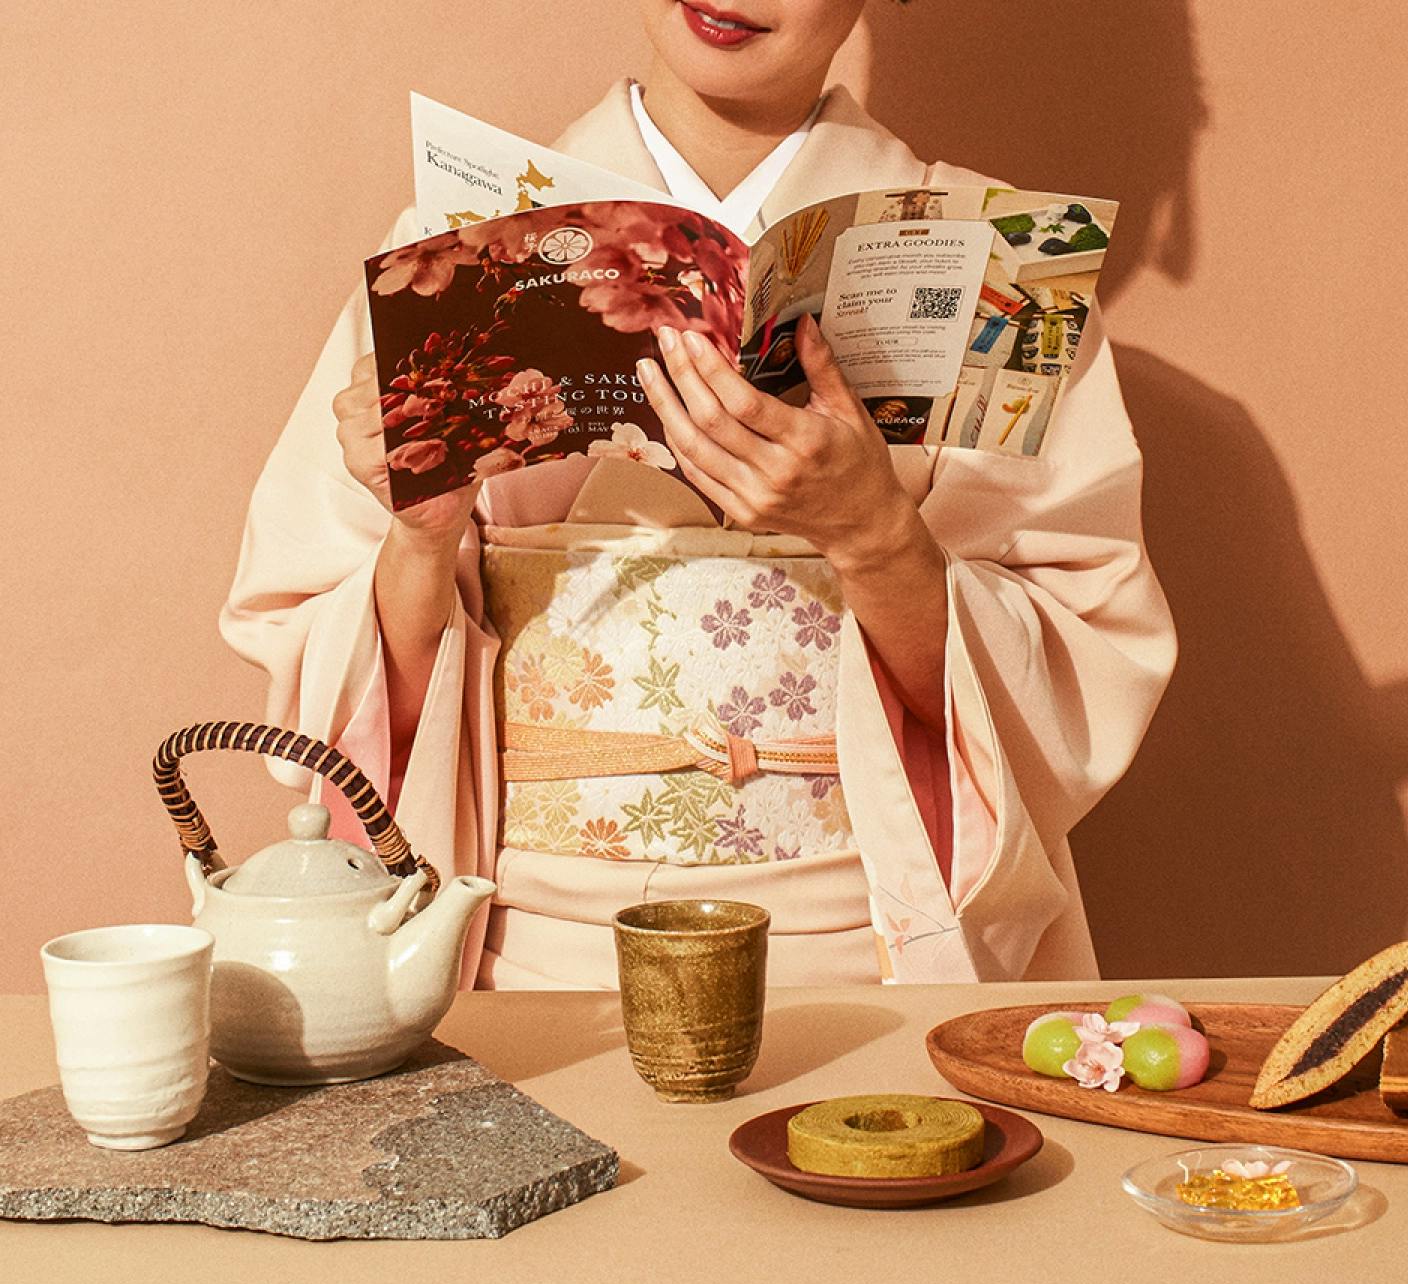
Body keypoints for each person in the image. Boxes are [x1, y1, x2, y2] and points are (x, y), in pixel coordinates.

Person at [221, 0, 1176, 989]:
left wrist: (874, 533)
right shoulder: (454, 242)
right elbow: (313, 662)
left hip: (867, 941)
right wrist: (419, 539)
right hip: (516, 948)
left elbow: (1079, 663)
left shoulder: (1000, 267)